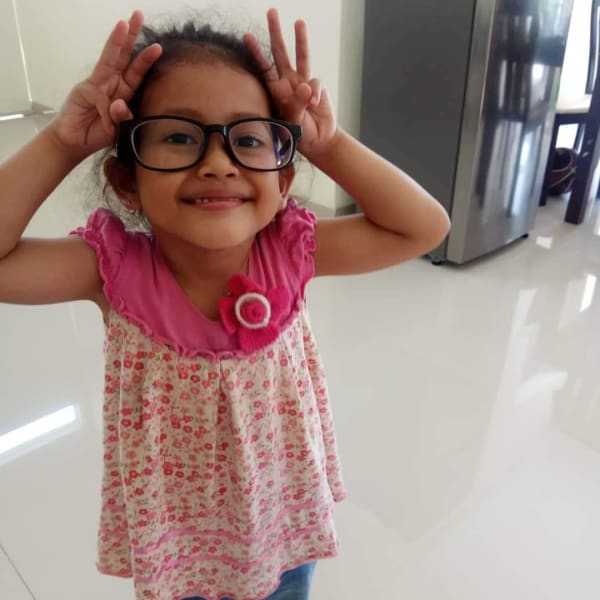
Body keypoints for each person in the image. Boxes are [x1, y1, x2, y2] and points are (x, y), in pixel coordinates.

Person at [0, 8, 450, 600]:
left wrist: (330, 144)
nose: (218, 163)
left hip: (280, 530)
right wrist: (61, 143)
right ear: (127, 181)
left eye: (248, 140)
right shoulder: (114, 271)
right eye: (179, 137)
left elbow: (424, 228)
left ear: (282, 183)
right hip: (178, 549)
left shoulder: (292, 252)